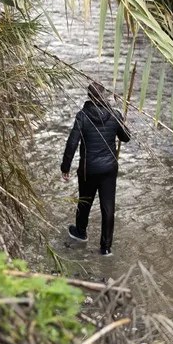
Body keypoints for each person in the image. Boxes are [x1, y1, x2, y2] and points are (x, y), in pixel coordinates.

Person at [61, 82, 130, 256]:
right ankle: (106, 248)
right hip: (109, 169)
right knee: (108, 207)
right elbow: (126, 137)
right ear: (105, 97)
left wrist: (65, 166)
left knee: (85, 202)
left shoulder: (82, 116)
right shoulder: (114, 115)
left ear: (89, 97)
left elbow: (72, 143)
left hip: (88, 169)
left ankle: (81, 233)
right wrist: (123, 120)